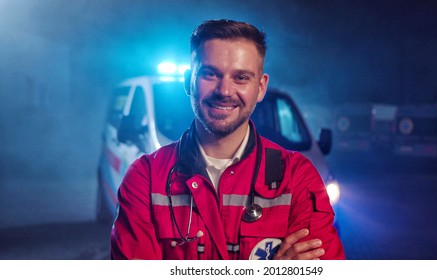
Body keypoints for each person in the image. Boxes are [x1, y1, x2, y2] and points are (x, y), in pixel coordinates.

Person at [110, 19, 345, 260]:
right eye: (210, 74)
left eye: (241, 77)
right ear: (188, 80)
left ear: (261, 87)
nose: (224, 91)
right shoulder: (145, 179)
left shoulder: (297, 177)